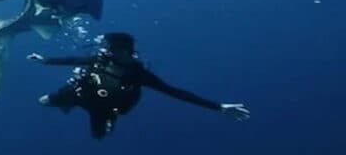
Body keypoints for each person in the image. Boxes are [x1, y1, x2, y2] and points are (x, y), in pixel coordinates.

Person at [28, 32, 249, 140]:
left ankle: (99, 117)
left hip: (104, 108)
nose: (108, 52)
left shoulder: (138, 75)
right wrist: (45, 60)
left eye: (112, 48)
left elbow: (176, 92)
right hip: (80, 93)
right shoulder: (101, 59)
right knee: (43, 101)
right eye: (108, 48)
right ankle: (67, 104)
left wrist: (219, 107)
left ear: (126, 51)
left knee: (99, 137)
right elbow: (73, 60)